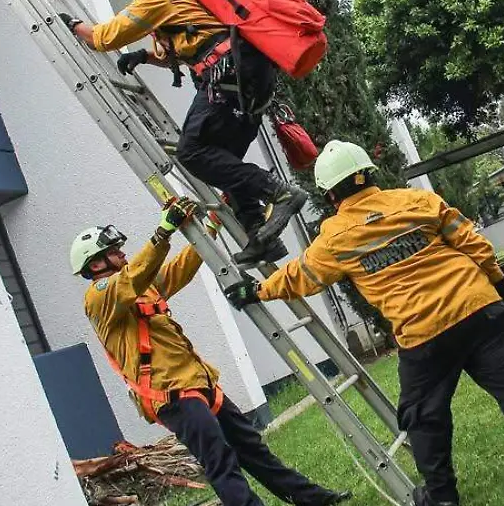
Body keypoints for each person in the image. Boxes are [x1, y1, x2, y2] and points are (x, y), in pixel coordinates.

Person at [222, 141, 504, 506]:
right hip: (477, 307)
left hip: (423, 334)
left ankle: (442, 499)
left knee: (424, 420)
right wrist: (499, 283)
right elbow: (472, 242)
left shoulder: (334, 237)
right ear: (371, 174)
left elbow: (300, 275)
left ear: (331, 193)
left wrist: (258, 291)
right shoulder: (417, 201)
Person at [69, 200, 350, 506]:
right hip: (169, 393)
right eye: (114, 251)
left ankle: (312, 499)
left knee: (252, 449)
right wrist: (163, 232)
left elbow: (178, 270)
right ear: (96, 264)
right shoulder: (99, 297)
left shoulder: (139, 287)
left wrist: (210, 228)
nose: (122, 254)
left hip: (197, 382)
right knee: (220, 459)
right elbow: (132, 276)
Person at [60, 0, 306, 264]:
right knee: (221, 162)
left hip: (230, 75)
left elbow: (105, 37)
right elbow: (189, 46)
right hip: (246, 75)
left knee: (192, 153)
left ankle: (280, 192)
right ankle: (260, 235)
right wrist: (145, 57)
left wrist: (73, 25)